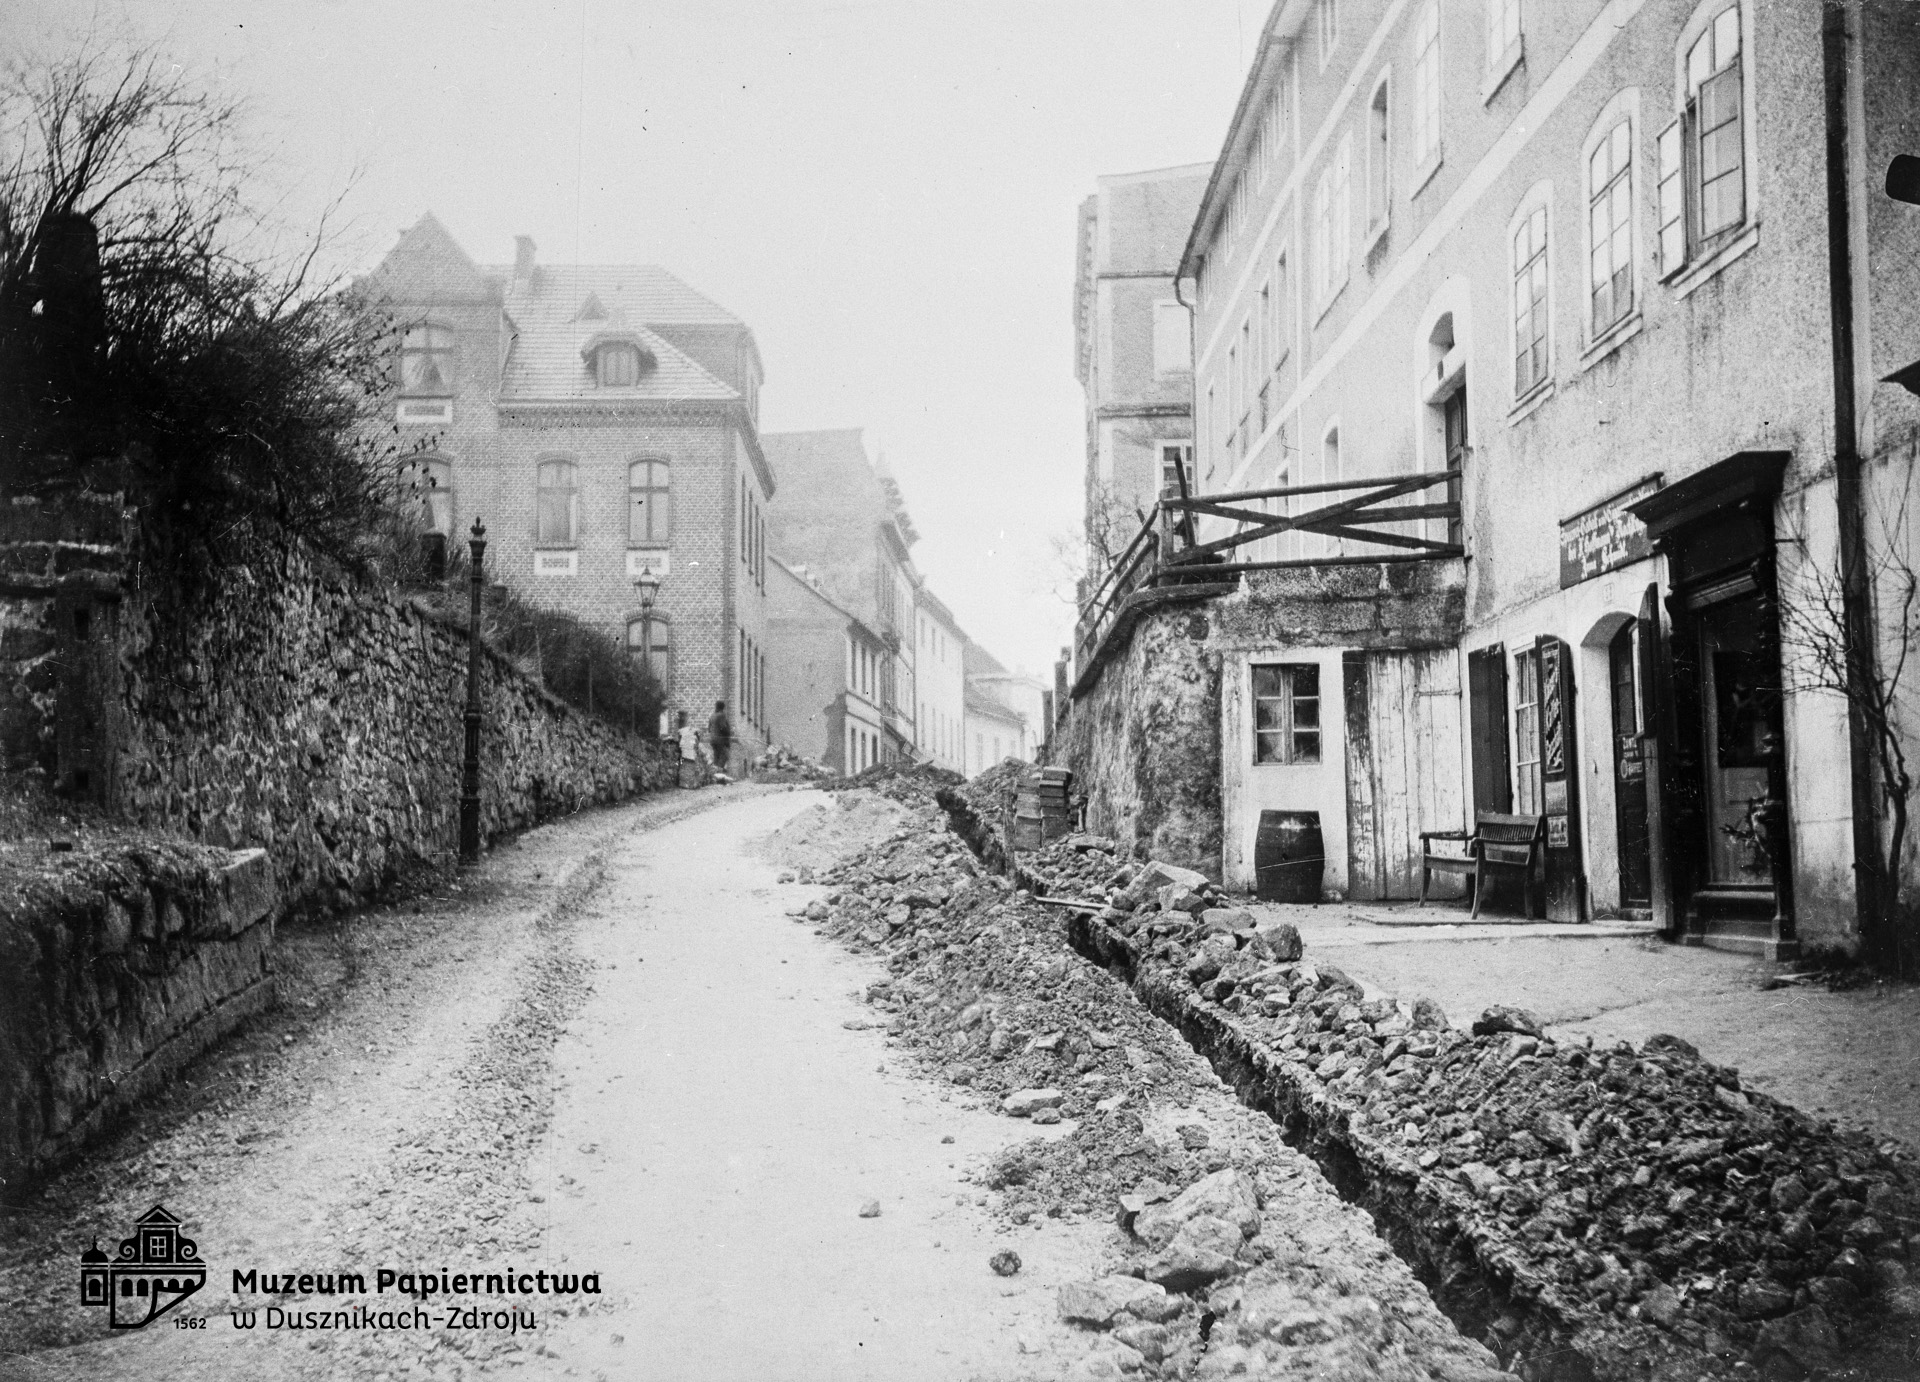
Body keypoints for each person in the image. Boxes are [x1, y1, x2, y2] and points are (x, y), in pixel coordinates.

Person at [707, 700, 733, 775]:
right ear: (723, 707)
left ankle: (714, 774)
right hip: (720, 740)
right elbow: (723, 728)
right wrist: (729, 732)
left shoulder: (712, 715)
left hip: (713, 740)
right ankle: (718, 772)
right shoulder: (721, 715)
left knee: (716, 757)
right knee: (725, 755)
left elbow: (709, 729)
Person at [676, 711, 699, 789]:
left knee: (684, 767)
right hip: (689, 753)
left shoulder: (682, 731)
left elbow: (679, 740)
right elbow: (696, 743)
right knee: (689, 768)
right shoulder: (692, 731)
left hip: (685, 753)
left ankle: (684, 784)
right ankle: (690, 784)